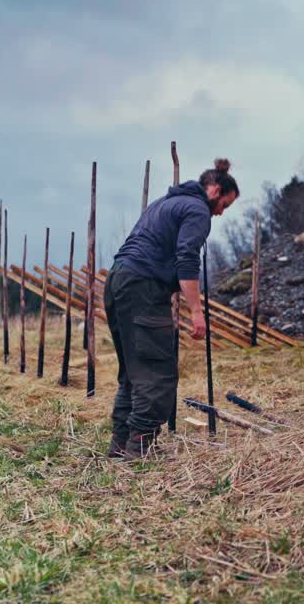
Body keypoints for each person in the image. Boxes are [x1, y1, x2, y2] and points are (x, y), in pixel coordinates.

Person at [104, 158, 239, 458]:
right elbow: (187, 259)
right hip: (142, 286)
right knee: (156, 370)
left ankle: (120, 443)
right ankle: (139, 449)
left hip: (117, 280)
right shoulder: (197, 210)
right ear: (215, 190)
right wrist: (196, 311)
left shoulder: (164, 203)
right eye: (224, 206)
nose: (219, 214)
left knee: (133, 370)